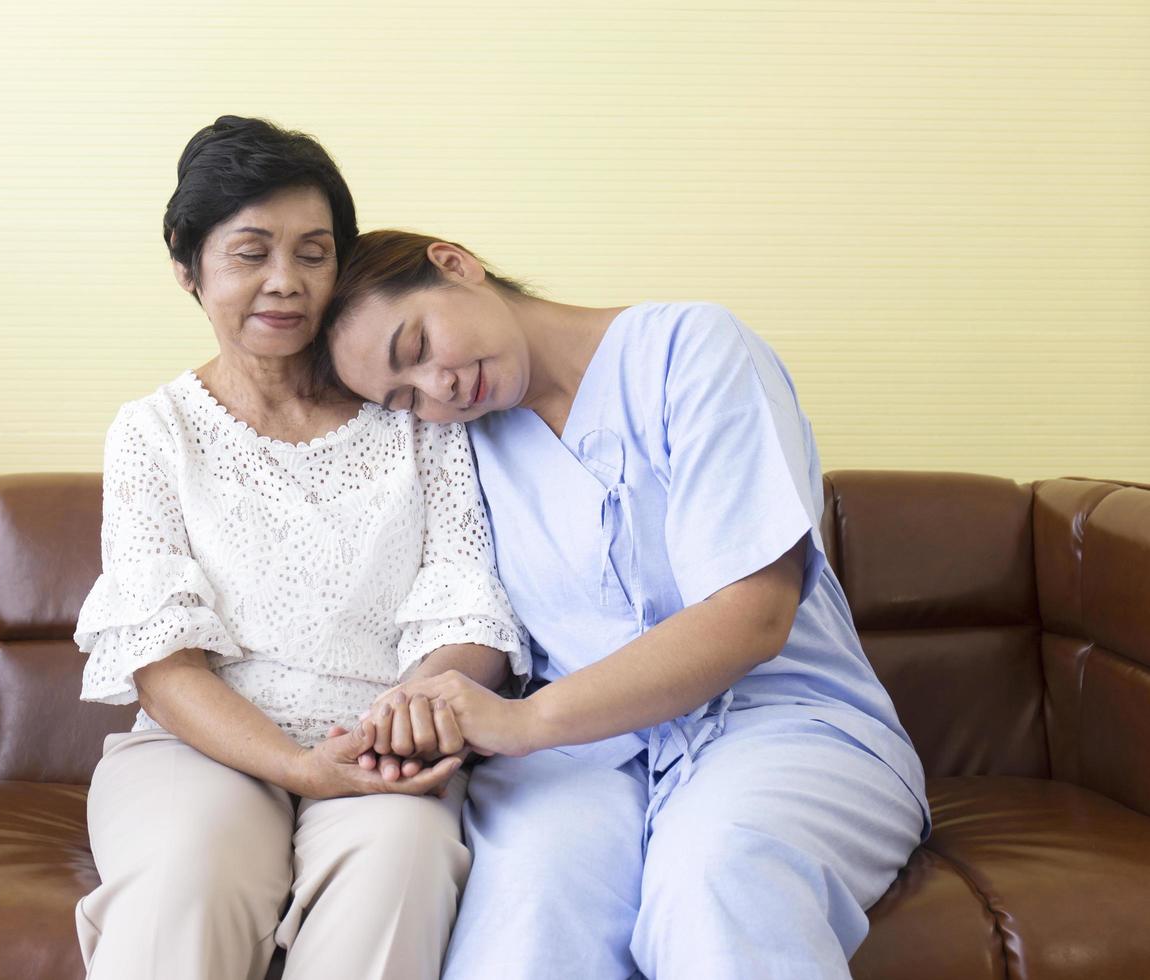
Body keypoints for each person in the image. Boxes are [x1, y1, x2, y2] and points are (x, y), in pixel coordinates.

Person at [315, 229, 931, 979]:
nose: (437, 388)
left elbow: (753, 613)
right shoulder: (468, 449)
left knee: (718, 874)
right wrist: (420, 706)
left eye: (418, 343)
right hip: (587, 759)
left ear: (455, 264)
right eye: (404, 396)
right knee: (526, 920)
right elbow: (467, 609)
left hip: (779, 723)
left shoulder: (693, 349)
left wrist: (524, 721)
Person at [71, 124, 529, 980]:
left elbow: (469, 604)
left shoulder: (413, 413)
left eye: (313, 253)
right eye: (250, 253)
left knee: (401, 867)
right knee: (187, 875)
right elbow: (161, 665)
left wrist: (402, 721)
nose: (285, 281)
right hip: (198, 751)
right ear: (188, 266)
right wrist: (295, 767)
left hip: (387, 743)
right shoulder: (152, 433)